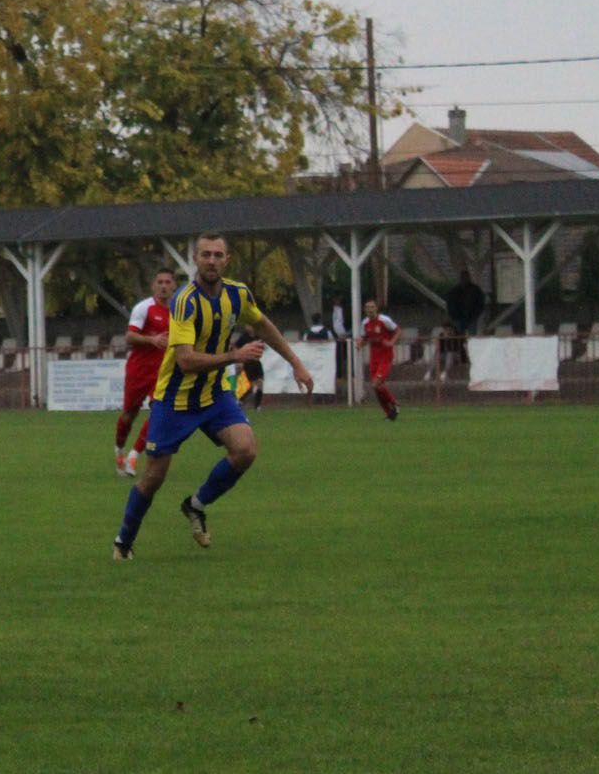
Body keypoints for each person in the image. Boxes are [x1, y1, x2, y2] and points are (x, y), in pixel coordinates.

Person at [112, 233, 313, 560]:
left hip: (214, 394)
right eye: (205, 254)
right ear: (195, 258)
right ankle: (123, 542)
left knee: (246, 449)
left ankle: (196, 505)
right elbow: (186, 361)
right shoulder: (185, 300)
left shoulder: (237, 294)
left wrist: (296, 364)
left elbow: (263, 324)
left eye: (218, 255)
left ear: (227, 260)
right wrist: (235, 356)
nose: (212, 260)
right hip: (174, 399)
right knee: (153, 477)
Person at [113, 268, 177, 477]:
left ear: (174, 286)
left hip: (162, 373)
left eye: (168, 282)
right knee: (128, 415)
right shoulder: (144, 308)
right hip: (138, 370)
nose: (164, 286)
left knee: (159, 412)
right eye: (160, 282)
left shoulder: (179, 311)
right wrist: (152, 340)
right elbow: (130, 336)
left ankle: (134, 455)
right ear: (153, 285)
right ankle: (120, 449)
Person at [359, 298, 400, 421]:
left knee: (376, 383)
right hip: (374, 357)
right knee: (376, 387)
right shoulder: (365, 323)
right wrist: (360, 343)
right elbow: (365, 337)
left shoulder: (384, 320)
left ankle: (395, 403)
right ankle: (389, 413)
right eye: (367, 307)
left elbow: (398, 330)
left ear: (376, 308)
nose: (370, 309)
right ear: (365, 310)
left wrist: (392, 342)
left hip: (385, 356)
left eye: (372, 307)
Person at [447, 269, 485, 372]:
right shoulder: (455, 291)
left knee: (472, 340)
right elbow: (450, 304)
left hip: (471, 318)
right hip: (459, 319)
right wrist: (454, 316)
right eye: (463, 277)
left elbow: (481, 303)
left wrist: (475, 314)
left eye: (466, 277)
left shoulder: (475, 290)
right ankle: (461, 359)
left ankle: (473, 359)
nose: (464, 279)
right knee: (459, 339)